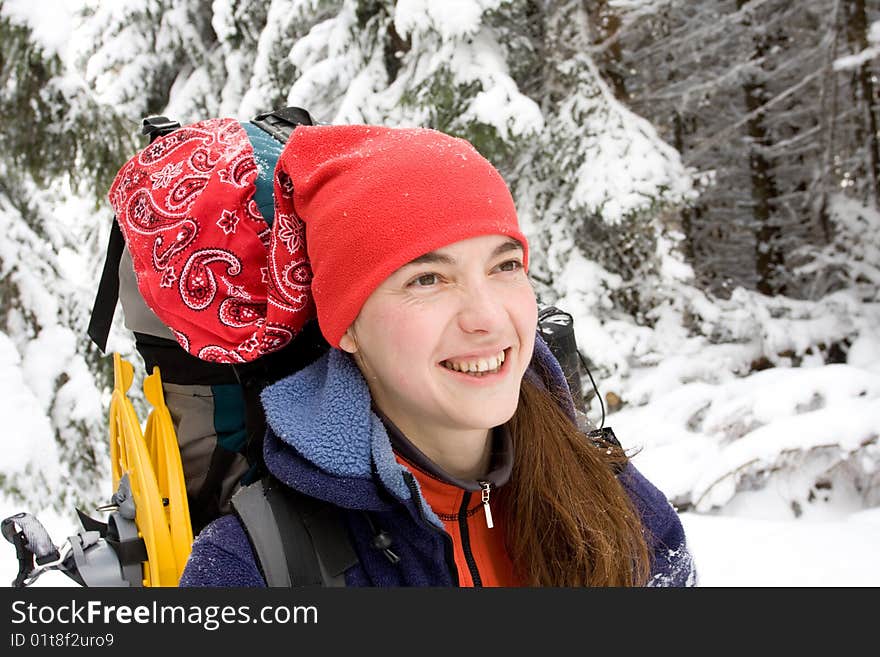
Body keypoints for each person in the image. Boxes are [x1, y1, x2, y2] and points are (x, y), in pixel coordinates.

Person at [179, 124, 696, 587]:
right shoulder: (250, 568)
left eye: (505, 266)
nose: (488, 318)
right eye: (428, 279)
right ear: (348, 327)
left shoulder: (614, 498)